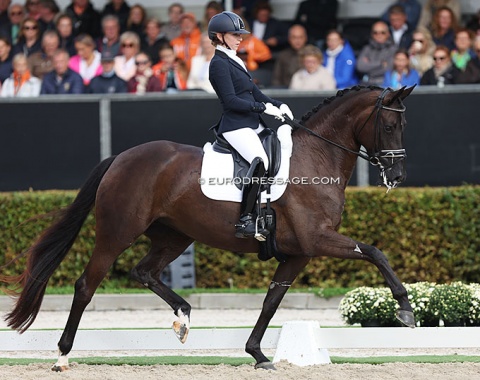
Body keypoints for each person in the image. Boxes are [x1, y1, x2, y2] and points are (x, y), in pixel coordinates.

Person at [207, 11, 294, 239]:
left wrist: (278, 104)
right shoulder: (218, 64)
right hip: (236, 126)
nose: (240, 39)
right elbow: (231, 101)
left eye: (240, 34)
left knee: (280, 148)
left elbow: (255, 92)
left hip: (252, 123)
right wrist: (262, 108)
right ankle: (245, 220)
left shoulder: (235, 59)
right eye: (235, 34)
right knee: (261, 160)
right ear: (219, 36)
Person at [356, 21, 397, 86]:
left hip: (385, 84)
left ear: (388, 34)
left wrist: (369, 65)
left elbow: (389, 68)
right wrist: (381, 63)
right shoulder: (367, 48)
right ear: (372, 34)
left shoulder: (393, 49)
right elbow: (360, 67)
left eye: (382, 33)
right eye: (375, 33)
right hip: (366, 84)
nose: (379, 35)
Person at [271, 24, 307, 88]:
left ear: (305, 38)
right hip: (287, 93)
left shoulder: (311, 55)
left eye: (300, 37)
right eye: (294, 37)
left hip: (309, 92)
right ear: (289, 39)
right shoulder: (283, 56)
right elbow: (276, 79)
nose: (297, 41)